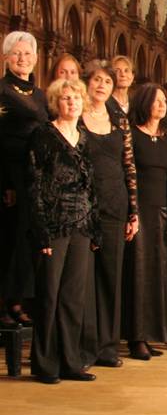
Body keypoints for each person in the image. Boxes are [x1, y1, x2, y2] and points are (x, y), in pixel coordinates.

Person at [29, 78, 100, 383]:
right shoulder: (43, 135)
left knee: (73, 297)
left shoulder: (84, 138)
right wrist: (41, 230)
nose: (72, 103)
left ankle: (71, 361)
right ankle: (44, 364)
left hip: (81, 223)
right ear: (56, 103)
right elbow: (36, 185)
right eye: (66, 99)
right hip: (54, 223)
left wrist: (94, 227)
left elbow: (91, 187)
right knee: (49, 295)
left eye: (76, 99)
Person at [80, 61, 139, 368]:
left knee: (110, 277)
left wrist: (134, 211)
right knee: (84, 279)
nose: (102, 85)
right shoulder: (76, 117)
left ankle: (107, 346)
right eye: (97, 80)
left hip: (115, 204)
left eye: (107, 81)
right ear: (87, 83)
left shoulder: (119, 120)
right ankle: (85, 347)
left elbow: (129, 166)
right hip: (83, 207)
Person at [126, 83, 167, 359]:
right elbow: (127, 175)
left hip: (161, 213)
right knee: (137, 275)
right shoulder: (131, 134)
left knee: (155, 276)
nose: (162, 105)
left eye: (164, 100)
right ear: (145, 102)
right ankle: (135, 337)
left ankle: (150, 334)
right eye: (156, 100)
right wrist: (131, 212)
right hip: (138, 213)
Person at [0, 32, 48, 327]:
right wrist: (5, 183)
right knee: (6, 239)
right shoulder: (2, 91)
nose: (22, 59)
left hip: (34, 176)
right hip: (8, 175)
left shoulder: (41, 95)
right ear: (6, 57)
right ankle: (2, 303)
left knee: (25, 241)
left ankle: (18, 300)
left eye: (28, 54)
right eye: (16, 54)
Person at [106, 55, 135, 120]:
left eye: (126, 70)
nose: (123, 74)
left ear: (132, 77)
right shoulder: (105, 102)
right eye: (117, 71)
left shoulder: (136, 103)